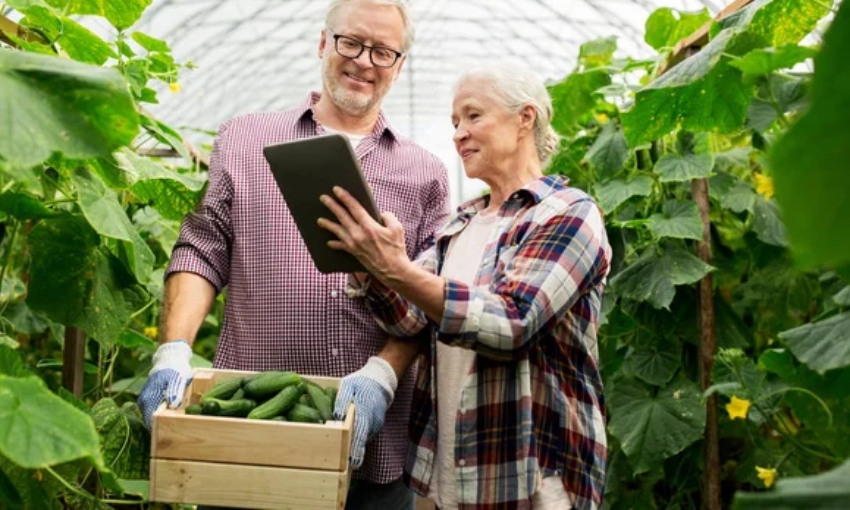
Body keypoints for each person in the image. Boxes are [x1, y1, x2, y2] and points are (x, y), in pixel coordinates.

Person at [136, 1, 450, 508]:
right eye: (351, 42)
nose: (364, 61)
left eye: (383, 51)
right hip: (248, 432)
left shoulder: (425, 172)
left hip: (375, 449)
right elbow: (202, 247)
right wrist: (172, 351)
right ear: (323, 42)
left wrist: (383, 376)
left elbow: (432, 300)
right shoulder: (244, 139)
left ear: (399, 65)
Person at [319, 63, 610, 509]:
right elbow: (408, 317)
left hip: (529, 481)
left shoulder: (567, 214)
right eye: (455, 122)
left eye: (473, 116)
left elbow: (511, 324)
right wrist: (366, 262)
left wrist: (396, 267)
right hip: (447, 477)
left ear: (524, 118)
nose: (458, 134)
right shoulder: (459, 224)